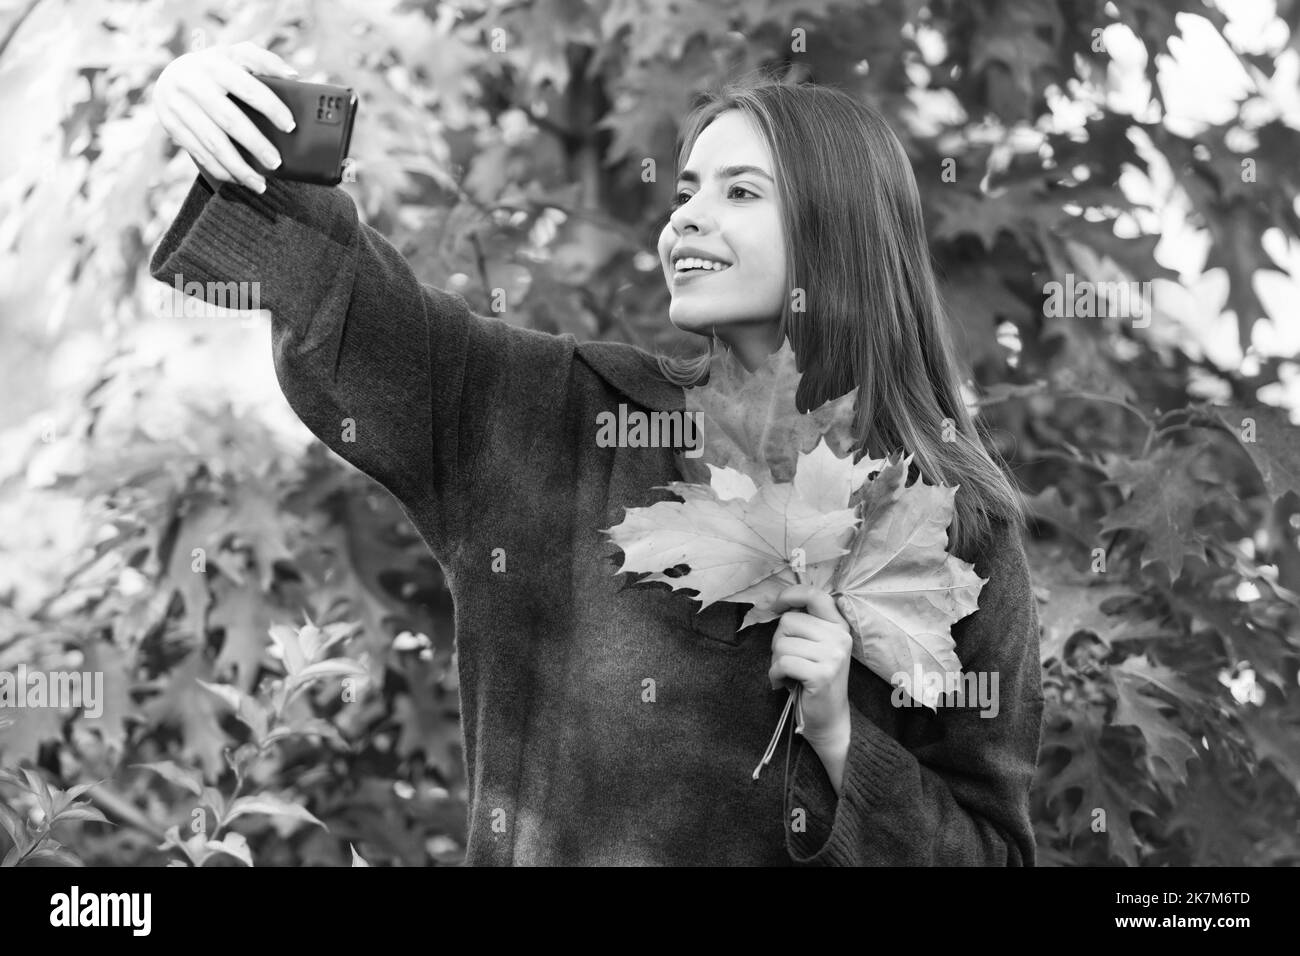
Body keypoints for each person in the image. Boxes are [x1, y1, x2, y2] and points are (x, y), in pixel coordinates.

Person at [150, 42, 1045, 865]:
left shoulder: (952, 521)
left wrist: (843, 738)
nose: (688, 219)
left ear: (839, 231)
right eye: (685, 192)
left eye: (740, 193)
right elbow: (356, 310)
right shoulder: (565, 413)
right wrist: (249, 134)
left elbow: (994, 853)